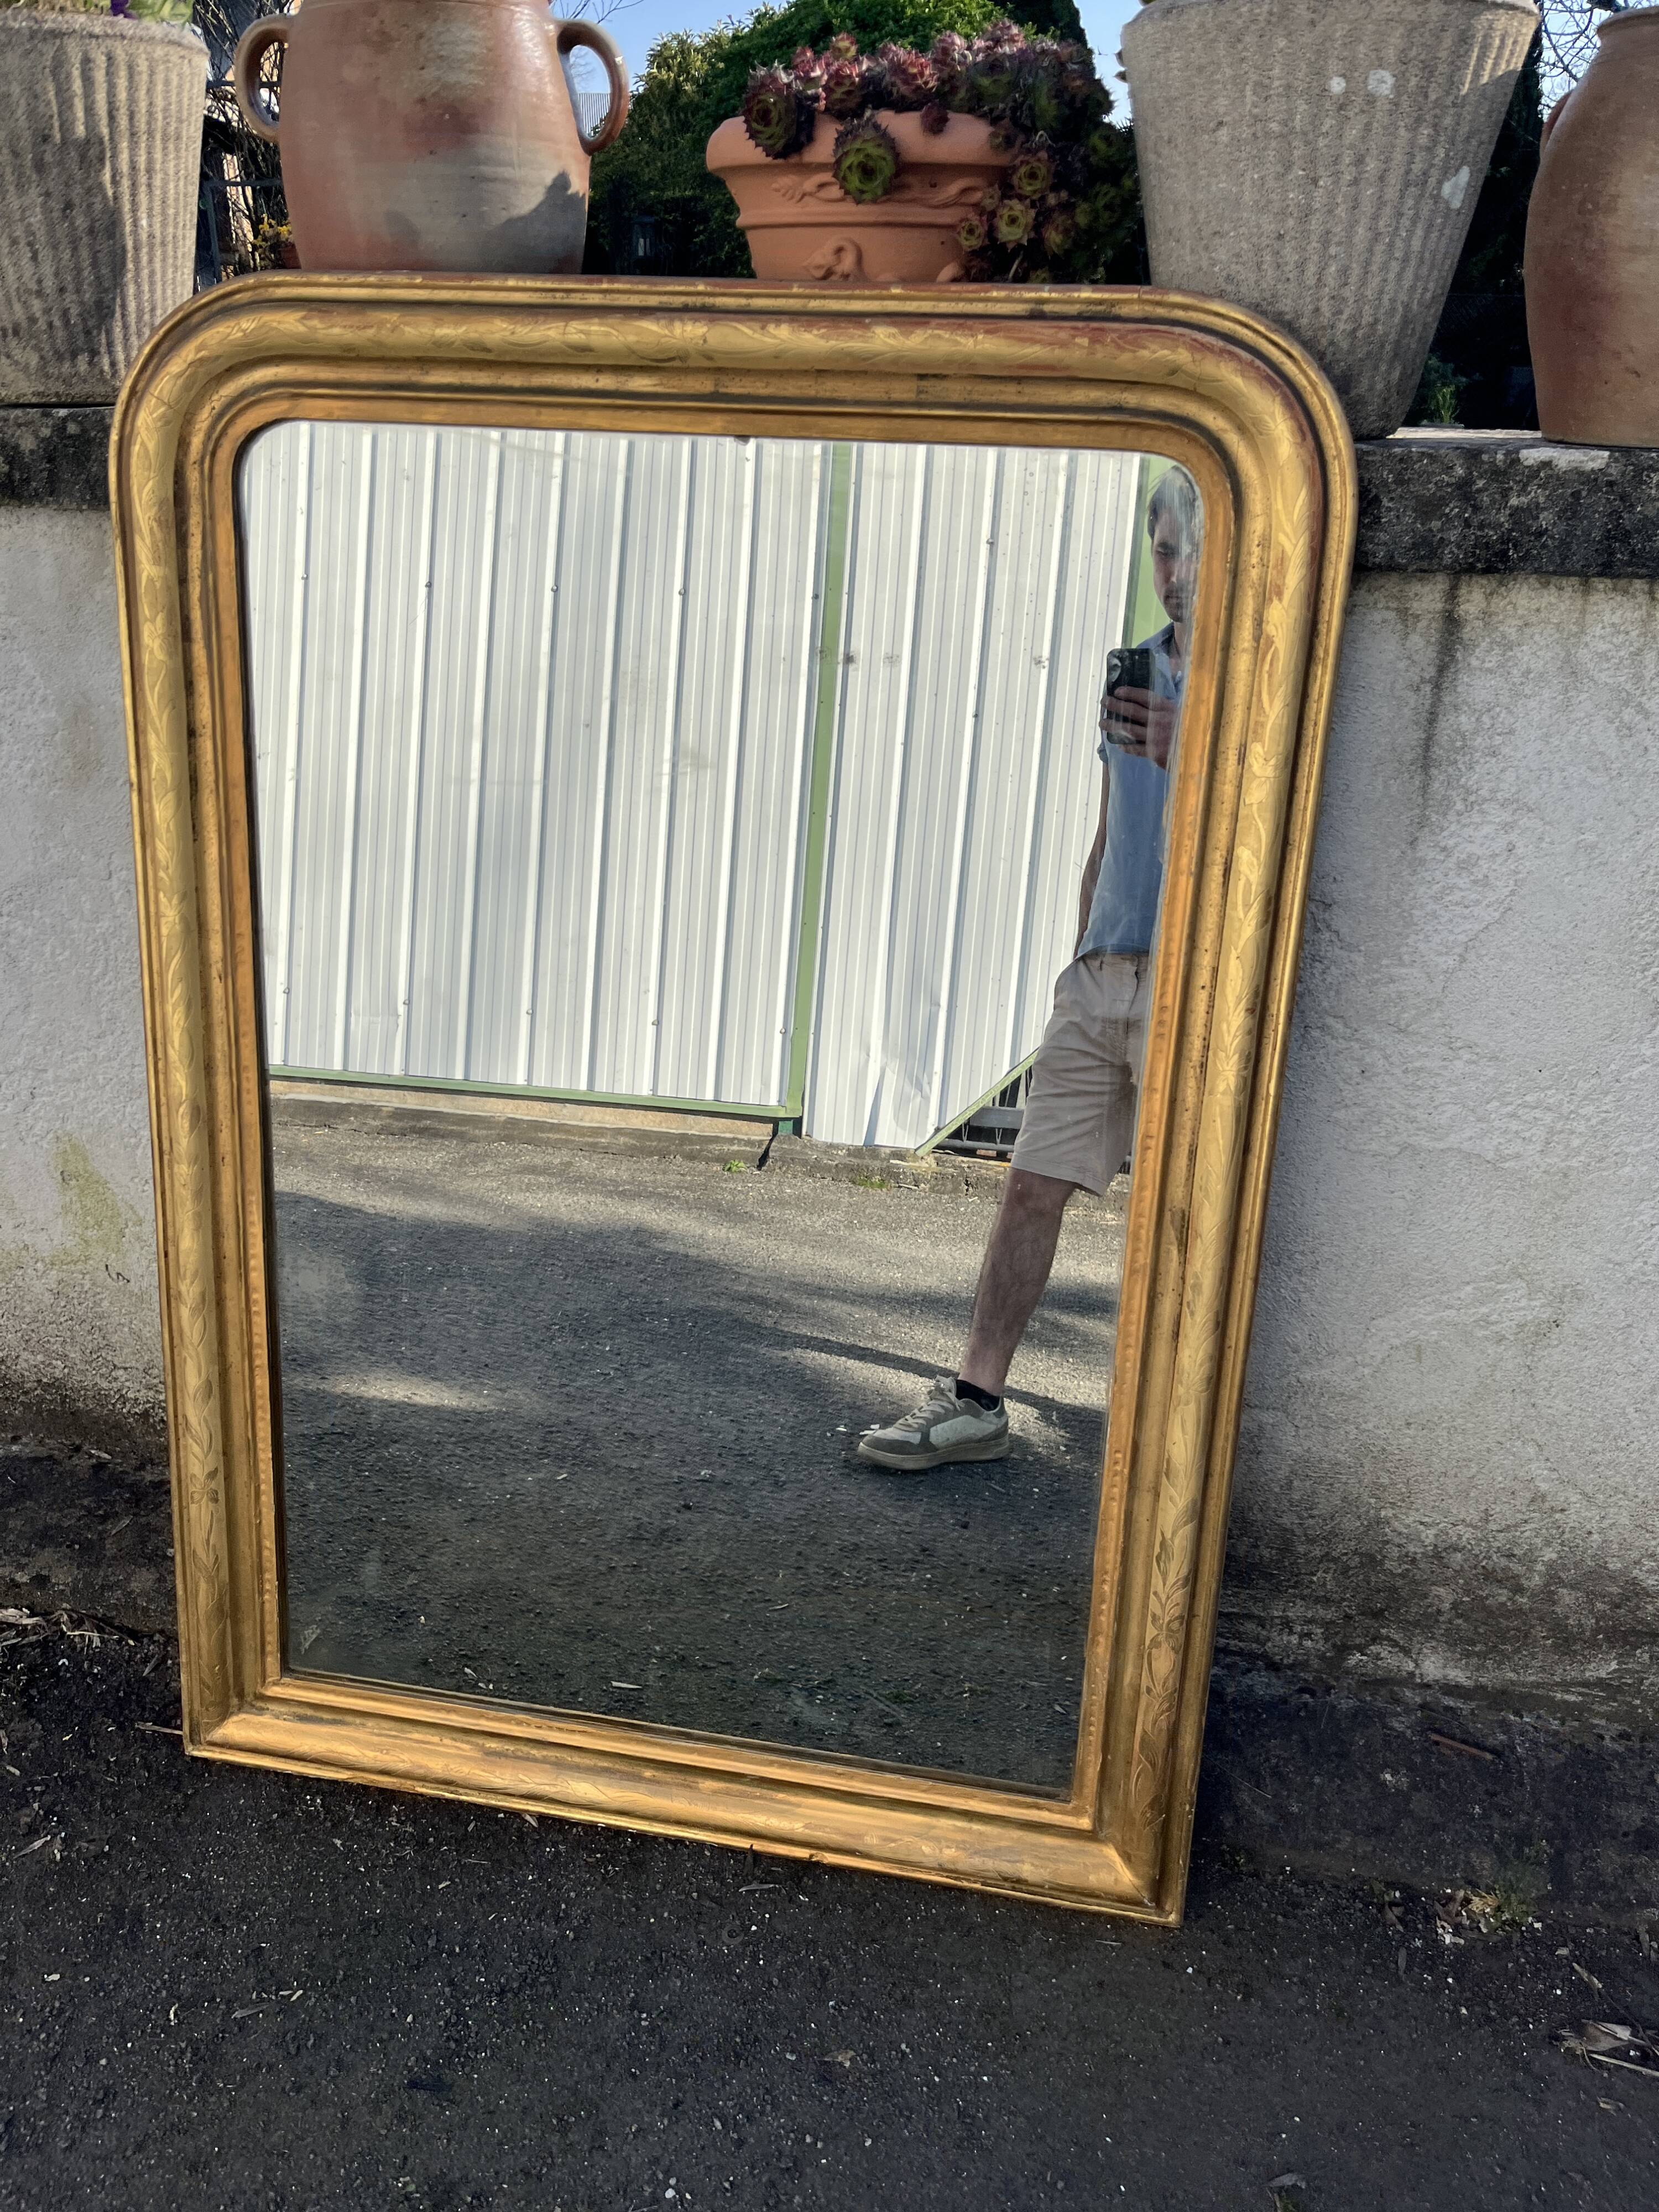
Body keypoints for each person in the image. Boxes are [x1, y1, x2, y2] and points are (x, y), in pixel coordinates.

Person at [858, 465, 1201, 1472]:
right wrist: (1081, 945)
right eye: (1164, 546)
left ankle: (1180, 1435)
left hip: (1200, 980)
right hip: (1103, 975)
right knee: (1029, 1188)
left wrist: (1203, 742)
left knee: (1187, 1212)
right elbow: (1116, 825)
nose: (1175, 567)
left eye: (1192, 545)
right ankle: (976, 1399)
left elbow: (1274, 826)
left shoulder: (1263, 681)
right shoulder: (1138, 668)